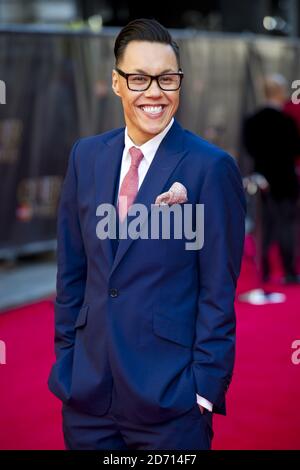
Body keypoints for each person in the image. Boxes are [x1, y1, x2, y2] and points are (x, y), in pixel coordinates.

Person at [48, 18, 246, 450]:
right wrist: (68, 362)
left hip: (170, 407)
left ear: (180, 83)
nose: (154, 92)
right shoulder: (86, 156)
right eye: (139, 78)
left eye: (167, 78)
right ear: (116, 83)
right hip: (87, 400)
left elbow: (218, 290)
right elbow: (72, 274)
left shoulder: (210, 168)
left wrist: (203, 391)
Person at [243, 74, 300, 284]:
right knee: (286, 225)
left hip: (262, 180)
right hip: (285, 181)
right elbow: (295, 149)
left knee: (264, 226)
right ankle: (288, 270)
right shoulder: (287, 122)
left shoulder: (252, 121)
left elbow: (249, 149)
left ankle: (263, 271)